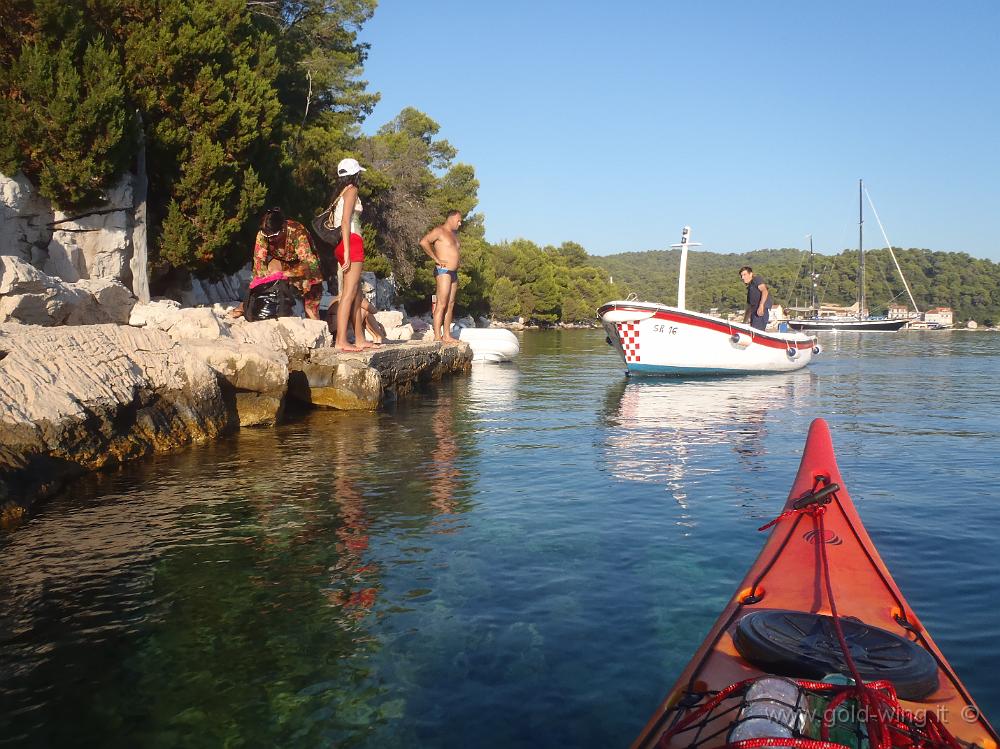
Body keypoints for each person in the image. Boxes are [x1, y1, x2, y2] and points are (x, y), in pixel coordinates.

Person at [231, 207, 323, 319]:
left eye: (273, 236)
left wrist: (285, 274)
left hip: (305, 267)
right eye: (267, 237)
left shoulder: (297, 232)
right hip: (282, 262)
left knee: (311, 308)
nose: (270, 240)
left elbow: (310, 263)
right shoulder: (263, 235)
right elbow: (259, 263)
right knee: (268, 274)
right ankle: (247, 305)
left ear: (283, 228)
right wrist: (259, 285)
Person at [330, 157, 371, 352]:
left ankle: (360, 338)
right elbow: (346, 221)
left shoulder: (342, 192)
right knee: (348, 294)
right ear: (355, 174)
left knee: (356, 294)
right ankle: (341, 340)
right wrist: (347, 251)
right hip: (351, 242)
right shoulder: (352, 190)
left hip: (343, 242)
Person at [419, 210, 463, 343]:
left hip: (454, 273)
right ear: (451, 218)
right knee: (441, 303)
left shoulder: (454, 235)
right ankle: (438, 337)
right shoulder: (439, 231)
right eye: (458, 220)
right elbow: (424, 242)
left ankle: (447, 335)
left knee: (450, 304)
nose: (460, 223)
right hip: (443, 271)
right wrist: (436, 258)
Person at [740, 265, 772, 331]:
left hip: (760, 311)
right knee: (753, 331)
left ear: (751, 274)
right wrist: (744, 322)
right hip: (754, 313)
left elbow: (764, 291)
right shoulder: (750, 289)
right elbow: (749, 308)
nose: (742, 277)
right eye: (741, 276)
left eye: (744, 275)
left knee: (756, 331)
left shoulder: (756, 279)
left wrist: (761, 306)